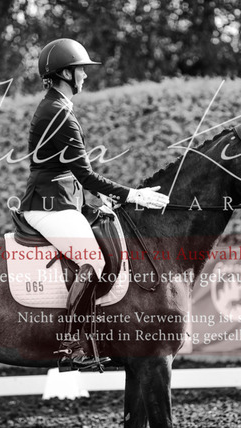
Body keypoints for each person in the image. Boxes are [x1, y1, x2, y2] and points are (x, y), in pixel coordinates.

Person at [20, 38, 169, 370]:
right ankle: (72, 344)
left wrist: (100, 196)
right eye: (81, 70)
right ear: (65, 74)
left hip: (60, 199)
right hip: (49, 204)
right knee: (93, 259)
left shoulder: (56, 107)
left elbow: (68, 170)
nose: (85, 76)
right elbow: (85, 174)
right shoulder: (59, 113)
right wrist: (133, 195)